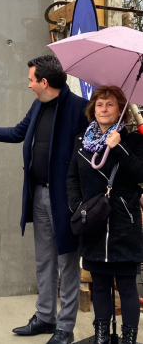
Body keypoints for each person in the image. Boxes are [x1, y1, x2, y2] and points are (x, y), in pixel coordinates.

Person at [0, 55, 88, 344]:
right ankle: (45, 317)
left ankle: (65, 327)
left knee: (67, 263)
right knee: (44, 259)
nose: (29, 85)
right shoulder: (38, 105)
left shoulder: (79, 109)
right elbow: (18, 133)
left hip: (66, 201)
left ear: (44, 82)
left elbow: (86, 157)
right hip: (38, 194)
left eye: (31, 80)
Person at [67, 86, 143, 344]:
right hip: (93, 223)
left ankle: (128, 339)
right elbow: (72, 178)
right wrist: (78, 206)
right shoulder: (81, 140)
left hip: (124, 223)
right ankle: (101, 336)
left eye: (110, 104)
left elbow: (140, 174)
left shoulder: (133, 140)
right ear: (92, 109)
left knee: (127, 286)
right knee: (99, 284)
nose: (103, 109)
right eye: (99, 104)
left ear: (121, 111)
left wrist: (119, 147)